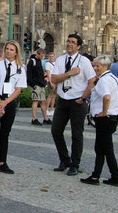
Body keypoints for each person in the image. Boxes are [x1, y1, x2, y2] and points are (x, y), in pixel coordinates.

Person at [50, 33, 96, 176]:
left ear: (78, 46)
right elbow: (54, 78)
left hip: (77, 101)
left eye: (72, 42)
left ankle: (75, 164)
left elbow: (92, 81)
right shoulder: (60, 60)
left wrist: (83, 98)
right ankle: (65, 159)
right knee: (56, 130)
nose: (69, 44)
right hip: (63, 99)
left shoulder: (84, 61)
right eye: (68, 41)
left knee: (77, 134)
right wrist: (70, 73)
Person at [0, 41, 27, 176]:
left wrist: (6, 103)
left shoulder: (20, 68)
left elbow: (18, 89)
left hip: (10, 102)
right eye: (6, 49)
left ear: (16, 52)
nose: (8, 51)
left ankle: (3, 163)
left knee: (5, 135)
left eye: (11, 49)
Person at [80, 55, 118, 187]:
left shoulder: (104, 80)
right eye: (94, 65)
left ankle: (114, 177)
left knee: (106, 149)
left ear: (106, 66)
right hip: (112, 117)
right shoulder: (113, 78)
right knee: (101, 148)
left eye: (98, 66)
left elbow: (107, 97)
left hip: (105, 119)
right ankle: (96, 175)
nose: (95, 68)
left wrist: (103, 112)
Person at [27, 48, 51, 125]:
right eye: (41, 55)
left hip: (41, 84)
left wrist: (44, 80)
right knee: (35, 101)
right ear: (38, 54)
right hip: (36, 85)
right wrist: (32, 84)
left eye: (43, 56)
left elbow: (40, 72)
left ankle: (45, 118)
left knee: (43, 102)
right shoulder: (32, 61)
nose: (42, 57)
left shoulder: (40, 61)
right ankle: (34, 119)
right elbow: (29, 74)